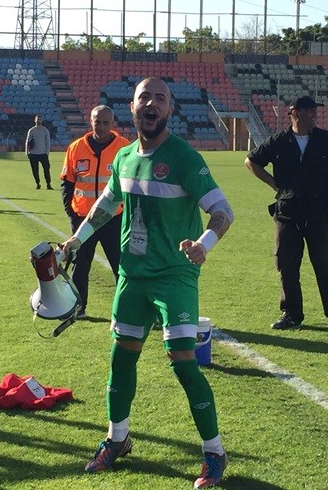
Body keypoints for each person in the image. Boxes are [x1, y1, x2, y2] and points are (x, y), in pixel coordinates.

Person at [60, 77, 234, 489]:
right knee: (121, 358)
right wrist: (76, 240)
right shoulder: (123, 158)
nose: (151, 104)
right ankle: (117, 439)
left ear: (169, 109)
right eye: (144, 98)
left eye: (160, 98)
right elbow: (106, 204)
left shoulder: (184, 158)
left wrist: (204, 244)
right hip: (132, 276)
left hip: (174, 275)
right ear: (133, 108)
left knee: (183, 361)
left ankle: (214, 452)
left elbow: (223, 212)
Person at [244, 96, 328, 335]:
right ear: (295, 113)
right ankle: (291, 315)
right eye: (309, 110)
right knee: (287, 266)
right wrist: (274, 184)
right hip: (287, 212)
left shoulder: (325, 140)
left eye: (315, 109)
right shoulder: (279, 141)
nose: (314, 113)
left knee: (326, 266)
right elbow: (251, 161)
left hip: (318, 213)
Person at [59, 105, 131, 319]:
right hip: (83, 218)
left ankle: (128, 310)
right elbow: (67, 183)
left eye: (105, 122)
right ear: (90, 121)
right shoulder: (75, 148)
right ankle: (78, 308)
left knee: (121, 266)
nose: (100, 126)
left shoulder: (124, 148)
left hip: (113, 218)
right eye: (97, 122)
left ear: (112, 123)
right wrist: (72, 213)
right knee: (80, 265)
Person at [25, 114, 53, 190]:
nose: (39, 120)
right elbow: (27, 141)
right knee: (35, 170)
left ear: (42, 120)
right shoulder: (31, 130)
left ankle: (48, 184)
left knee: (46, 169)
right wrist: (27, 153)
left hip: (43, 153)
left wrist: (47, 152)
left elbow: (48, 142)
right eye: (37, 119)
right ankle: (38, 183)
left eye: (40, 119)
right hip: (33, 154)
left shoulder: (45, 130)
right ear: (35, 120)